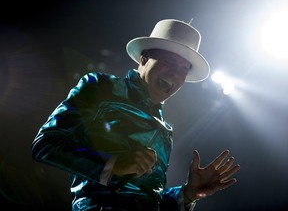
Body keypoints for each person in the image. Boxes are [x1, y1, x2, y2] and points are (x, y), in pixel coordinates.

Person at [32, 19, 240, 211]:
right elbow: (45, 144)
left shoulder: (165, 130)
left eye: (184, 69)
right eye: (170, 62)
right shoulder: (101, 86)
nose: (177, 74)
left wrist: (187, 194)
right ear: (144, 58)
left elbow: (149, 198)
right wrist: (112, 164)